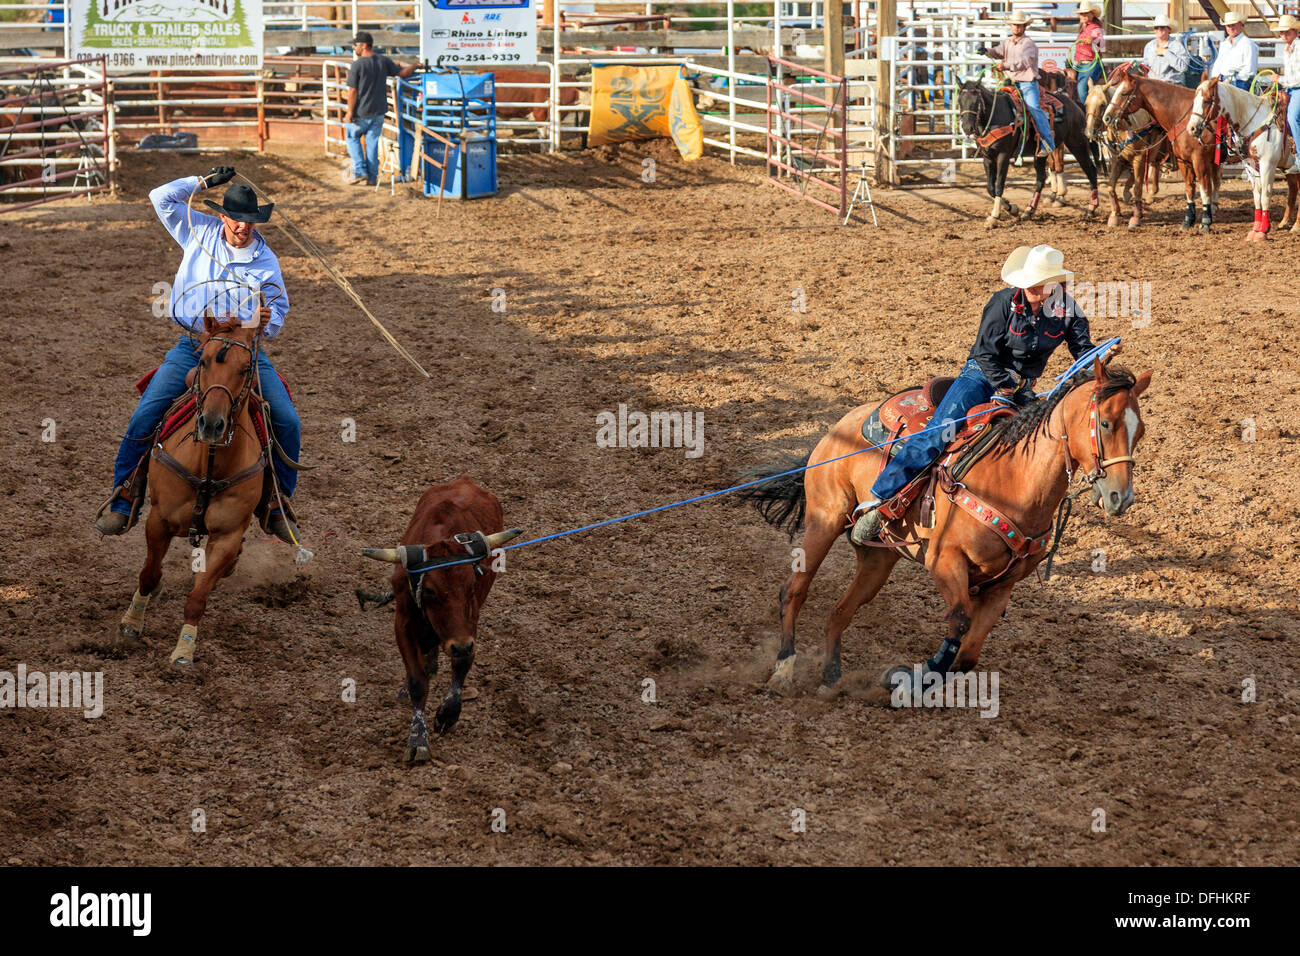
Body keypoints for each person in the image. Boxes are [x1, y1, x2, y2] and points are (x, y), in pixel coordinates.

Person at [95, 168, 302, 543]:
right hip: (193, 345)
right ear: (222, 216)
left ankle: (277, 503)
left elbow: (279, 310)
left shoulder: (266, 260)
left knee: (287, 420)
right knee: (146, 413)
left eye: (250, 222)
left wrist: (265, 321)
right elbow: (160, 196)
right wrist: (202, 182)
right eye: (236, 219)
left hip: (241, 351)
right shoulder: (198, 231)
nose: (243, 228)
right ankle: (124, 498)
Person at [850, 245, 1095, 545]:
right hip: (982, 376)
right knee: (938, 433)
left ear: (1055, 286)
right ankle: (879, 502)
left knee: (1045, 443)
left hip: (1022, 387)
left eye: (1040, 282)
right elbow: (985, 353)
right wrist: (1007, 385)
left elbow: (1083, 353)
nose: (1032, 287)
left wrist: (1101, 356)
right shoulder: (1002, 303)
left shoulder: (1068, 312)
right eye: (1030, 281)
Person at [344, 32, 418, 187]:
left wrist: (349, 111)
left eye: (355, 44)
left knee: (352, 137)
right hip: (378, 111)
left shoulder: (357, 65)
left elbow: (352, 91)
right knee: (372, 143)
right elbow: (402, 74)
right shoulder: (382, 61)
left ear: (363, 45)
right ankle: (372, 177)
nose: (353, 47)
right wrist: (415, 66)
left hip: (361, 112)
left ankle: (359, 171)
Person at [979, 11, 1056, 158]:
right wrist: (987, 51)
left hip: (1027, 84)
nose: (1016, 28)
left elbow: (1024, 62)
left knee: (1034, 108)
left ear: (1024, 27)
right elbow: (997, 52)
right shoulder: (1007, 42)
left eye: (1019, 25)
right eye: (1014, 25)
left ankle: (1048, 143)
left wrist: (1006, 66)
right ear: (1010, 26)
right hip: (1011, 83)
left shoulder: (1029, 44)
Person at [1276, 14, 1300, 173]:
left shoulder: (1298, 48)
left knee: (1292, 117)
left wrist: (1280, 80)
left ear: (1295, 32)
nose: (1284, 35)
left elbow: (1297, 78)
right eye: (1281, 32)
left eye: (1287, 32)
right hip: (1291, 88)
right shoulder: (1287, 49)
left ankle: (1299, 158)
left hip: (1298, 88)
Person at [1210, 12, 1258, 91]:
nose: (1231, 28)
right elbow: (1218, 64)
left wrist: (1230, 81)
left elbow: (1249, 70)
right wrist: (1215, 78)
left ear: (1241, 25)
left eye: (1233, 25)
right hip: (1223, 81)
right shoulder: (1224, 44)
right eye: (1228, 26)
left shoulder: (1248, 44)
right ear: (1226, 27)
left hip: (1241, 83)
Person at [1071, 2, 1107, 103]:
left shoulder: (1094, 28)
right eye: (1082, 13)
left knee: (1082, 87)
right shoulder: (1084, 28)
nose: (1084, 15)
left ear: (1092, 14)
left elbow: (1102, 44)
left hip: (1090, 63)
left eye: (1086, 13)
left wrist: (1093, 40)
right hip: (1082, 64)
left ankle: (1086, 110)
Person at [1142, 14, 1191, 84]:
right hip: (1152, 85)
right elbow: (1145, 66)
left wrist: (1166, 53)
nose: (1159, 30)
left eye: (1162, 27)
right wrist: (1139, 66)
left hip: (1171, 85)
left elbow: (1183, 67)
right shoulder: (1149, 46)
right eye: (1156, 28)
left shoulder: (1177, 46)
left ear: (1169, 29)